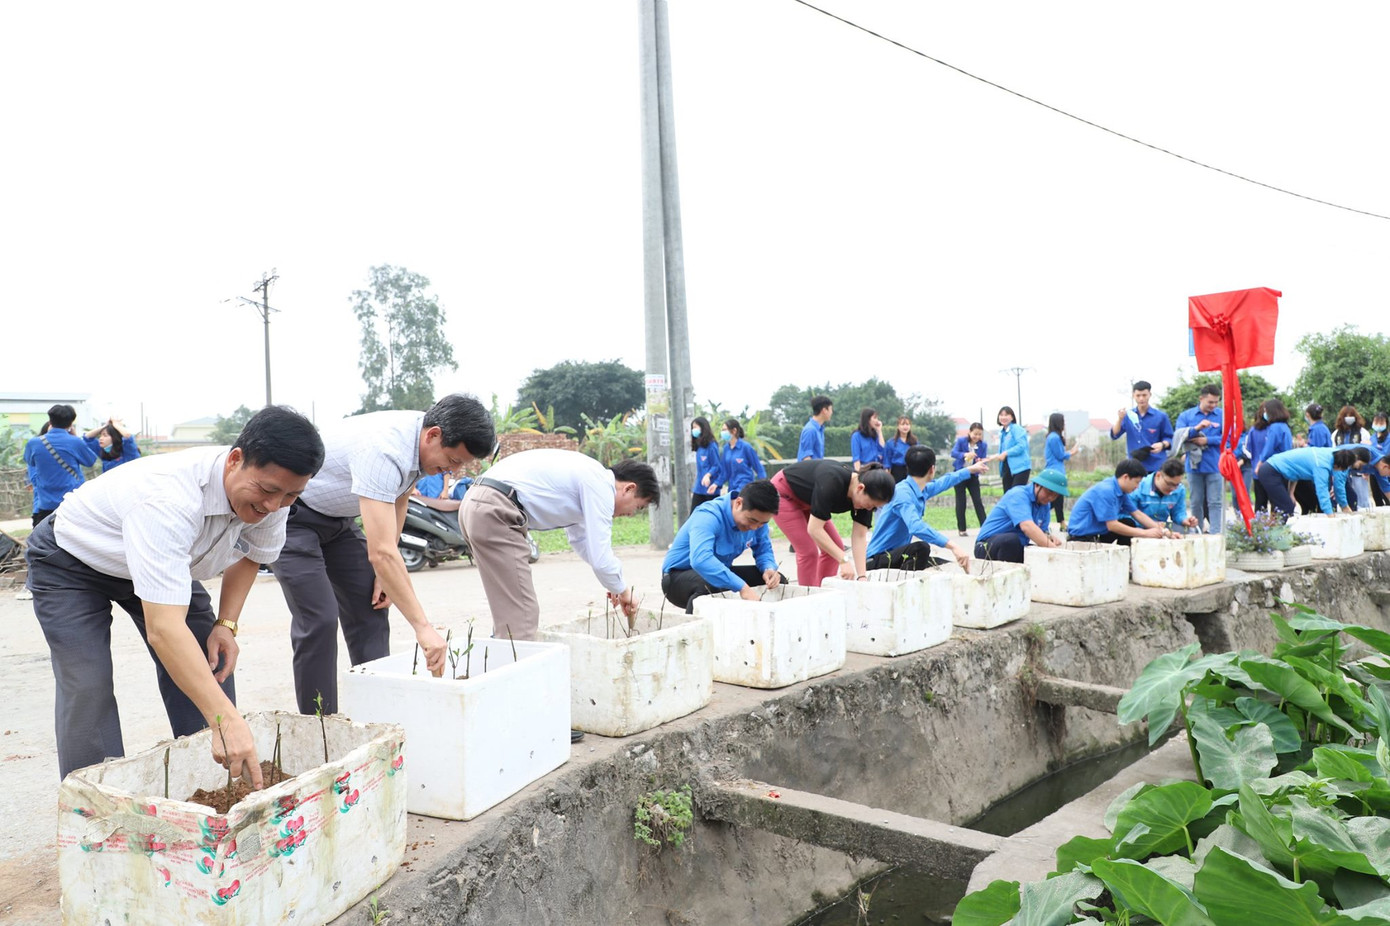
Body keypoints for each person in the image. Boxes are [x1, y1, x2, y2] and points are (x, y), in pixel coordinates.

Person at [24, 406, 324, 783]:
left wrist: (226, 624)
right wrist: (225, 719)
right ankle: (96, 801)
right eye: (267, 491)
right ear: (235, 460)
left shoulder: (274, 494)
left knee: (209, 658)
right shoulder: (169, 498)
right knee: (88, 683)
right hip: (72, 559)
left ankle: (211, 786)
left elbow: (253, 554)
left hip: (161, 562)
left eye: (291, 495)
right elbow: (164, 630)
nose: (274, 505)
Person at [272, 394, 495, 715]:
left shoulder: (423, 441)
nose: (454, 469)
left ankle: (377, 715)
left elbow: (399, 497)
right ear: (433, 435)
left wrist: (383, 573)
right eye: (453, 459)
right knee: (319, 619)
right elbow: (381, 552)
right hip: (294, 518)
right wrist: (423, 627)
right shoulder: (384, 449)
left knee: (371, 604)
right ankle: (319, 724)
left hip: (338, 521)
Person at [459, 450, 658, 640]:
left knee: (508, 609)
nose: (631, 513)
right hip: (496, 508)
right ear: (629, 488)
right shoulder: (601, 487)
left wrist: (613, 583)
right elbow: (601, 559)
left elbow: (581, 541)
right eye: (638, 506)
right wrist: (624, 591)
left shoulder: (589, 477)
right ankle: (513, 664)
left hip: (476, 502)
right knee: (522, 615)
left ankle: (498, 657)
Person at [660, 479, 783, 612]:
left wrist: (768, 568)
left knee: (777, 582)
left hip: (718, 572)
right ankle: (694, 624)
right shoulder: (708, 516)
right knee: (713, 584)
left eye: (762, 523)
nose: (754, 527)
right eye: (751, 520)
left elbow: (763, 550)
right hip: (677, 579)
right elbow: (701, 560)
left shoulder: (758, 521)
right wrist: (742, 587)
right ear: (738, 503)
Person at [769, 459, 894, 587]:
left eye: (874, 508)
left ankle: (823, 590)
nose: (869, 509)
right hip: (784, 493)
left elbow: (859, 536)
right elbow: (814, 529)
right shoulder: (832, 480)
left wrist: (862, 576)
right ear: (860, 488)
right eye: (869, 505)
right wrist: (843, 559)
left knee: (834, 548)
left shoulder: (866, 498)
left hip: (809, 501)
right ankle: (809, 595)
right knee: (809, 552)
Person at [865, 446, 981, 571]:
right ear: (932, 469)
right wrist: (953, 546)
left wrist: (969, 470)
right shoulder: (903, 494)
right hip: (877, 560)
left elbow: (943, 482)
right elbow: (915, 526)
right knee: (921, 549)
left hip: (897, 556)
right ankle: (907, 582)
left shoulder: (919, 489)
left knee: (946, 567)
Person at [23, 404, 98, 527]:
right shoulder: (75, 442)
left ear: (50, 421)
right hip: (72, 503)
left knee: (45, 538)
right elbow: (90, 461)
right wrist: (74, 436)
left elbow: (30, 462)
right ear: (70, 424)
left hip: (46, 504)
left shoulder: (34, 443)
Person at [1065, 459, 1171, 544]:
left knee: (1128, 522)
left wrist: (1164, 531)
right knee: (1126, 526)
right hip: (1081, 538)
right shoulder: (1107, 490)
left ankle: (1125, 558)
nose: (1137, 487)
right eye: (1137, 482)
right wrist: (1145, 533)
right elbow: (1112, 525)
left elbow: (1137, 514)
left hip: (1097, 533)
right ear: (1125, 477)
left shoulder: (1121, 491)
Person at [974, 469, 1067, 563]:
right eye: (1049, 492)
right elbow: (1027, 527)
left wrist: (1049, 538)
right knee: (1011, 541)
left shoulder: (1045, 505)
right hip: (987, 545)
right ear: (1037, 485)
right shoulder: (1018, 495)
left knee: (1038, 555)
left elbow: (1042, 532)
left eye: (1055, 496)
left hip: (1016, 546)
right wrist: (1056, 552)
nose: (1050, 498)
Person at [1174, 384, 1225, 533]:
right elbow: (1178, 436)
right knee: (1195, 502)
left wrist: (1208, 440)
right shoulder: (1186, 416)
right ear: (1201, 398)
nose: (1213, 405)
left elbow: (1230, 439)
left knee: (1215, 502)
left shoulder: (1222, 415)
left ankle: (1216, 533)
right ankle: (1197, 531)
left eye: (1216, 402)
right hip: (1194, 466)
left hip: (1215, 465)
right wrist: (1196, 429)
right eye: (1210, 402)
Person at [1258, 446, 1354, 517]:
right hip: (1271, 471)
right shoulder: (1321, 465)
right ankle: (1275, 534)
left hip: (1278, 471)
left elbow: (1296, 472)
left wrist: (1291, 493)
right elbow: (1322, 491)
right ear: (1338, 466)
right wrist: (1330, 516)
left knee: (1312, 505)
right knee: (1286, 508)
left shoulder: (1330, 454)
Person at [1110, 380, 1174, 474]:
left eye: (1144, 395)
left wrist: (1162, 445)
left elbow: (1169, 438)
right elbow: (1115, 434)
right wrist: (1120, 419)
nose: (1141, 398)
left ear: (1150, 395)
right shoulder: (1128, 416)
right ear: (1133, 395)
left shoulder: (1161, 416)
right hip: (1135, 465)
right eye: (1138, 395)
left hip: (1156, 464)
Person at [1129, 457, 1198, 532]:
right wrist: (1150, 526)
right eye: (1169, 484)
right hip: (1138, 527)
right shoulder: (1138, 486)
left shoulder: (1179, 490)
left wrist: (1184, 520)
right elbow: (1129, 515)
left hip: (1162, 527)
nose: (1173, 488)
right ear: (1158, 475)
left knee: (1188, 530)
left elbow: (1178, 512)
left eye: (1176, 485)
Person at [1252, 399, 1294, 510]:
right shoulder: (1285, 426)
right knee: (1279, 502)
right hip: (1284, 467)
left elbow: (1269, 448)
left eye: (1266, 411)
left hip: (1274, 467)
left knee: (1269, 502)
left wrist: (1259, 463)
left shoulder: (1275, 427)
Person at [952, 422, 989, 536]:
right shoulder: (961, 441)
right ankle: (962, 529)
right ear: (969, 432)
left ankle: (986, 527)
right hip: (960, 474)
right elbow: (953, 453)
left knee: (977, 501)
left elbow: (983, 458)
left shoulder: (983, 445)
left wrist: (981, 462)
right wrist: (965, 455)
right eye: (975, 434)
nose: (977, 437)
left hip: (973, 475)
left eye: (979, 434)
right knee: (961, 502)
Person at [1333, 405, 1371, 509]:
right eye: (1346, 416)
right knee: (1345, 497)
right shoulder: (1336, 434)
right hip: (1341, 471)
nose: (1349, 418)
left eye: (1351, 416)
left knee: (1362, 500)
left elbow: (1366, 452)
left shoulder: (1362, 432)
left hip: (1358, 473)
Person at [1043, 413, 1075, 530]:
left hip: (1055, 470)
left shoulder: (1052, 436)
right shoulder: (1054, 437)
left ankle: (1061, 522)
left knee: (1057, 498)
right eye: (1063, 421)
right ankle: (1043, 520)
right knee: (1054, 498)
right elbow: (1060, 455)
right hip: (1055, 471)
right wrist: (1072, 452)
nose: (1064, 424)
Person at [721, 418, 766, 499]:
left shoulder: (746, 447)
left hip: (745, 488)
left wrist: (764, 486)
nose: (723, 432)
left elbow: (758, 468)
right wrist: (716, 484)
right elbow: (725, 472)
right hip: (732, 488)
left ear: (734, 431)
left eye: (725, 430)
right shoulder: (726, 449)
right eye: (722, 430)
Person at [690, 416, 724, 510]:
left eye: (695, 427)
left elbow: (716, 465)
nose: (693, 430)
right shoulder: (699, 447)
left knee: (712, 514)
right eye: (692, 428)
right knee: (694, 513)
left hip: (710, 488)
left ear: (703, 427)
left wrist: (708, 475)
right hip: (699, 487)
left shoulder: (712, 446)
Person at [994, 406, 1031, 489]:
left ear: (1012, 417)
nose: (1003, 417)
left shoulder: (1016, 429)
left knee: (1017, 493)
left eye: (1006, 415)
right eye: (1001, 415)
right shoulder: (1002, 433)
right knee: (1008, 494)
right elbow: (1002, 451)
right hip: (1007, 467)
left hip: (1020, 468)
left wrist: (1006, 453)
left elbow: (1021, 445)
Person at [797, 395, 833, 460]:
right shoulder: (810, 430)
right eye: (831, 409)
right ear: (824, 410)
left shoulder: (819, 429)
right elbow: (806, 458)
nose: (832, 412)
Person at [883, 415, 917, 482]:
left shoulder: (915, 442)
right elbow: (887, 462)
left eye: (907, 424)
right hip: (896, 472)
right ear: (898, 426)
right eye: (902, 424)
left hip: (911, 471)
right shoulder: (891, 443)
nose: (905, 427)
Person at [1369, 413, 1390, 507]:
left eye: (1381, 423)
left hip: (1385, 469)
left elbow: (1385, 454)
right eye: (1376, 422)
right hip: (1374, 470)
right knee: (1376, 496)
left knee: (1386, 493)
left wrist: (1375, 449)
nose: (1378, 425)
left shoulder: (1388, 438)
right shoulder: (1372, 438)